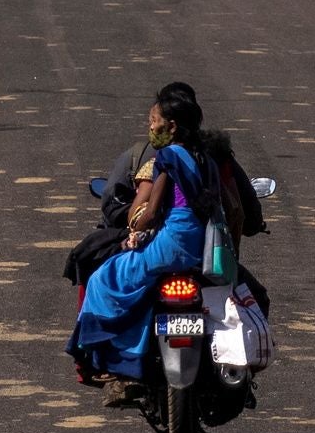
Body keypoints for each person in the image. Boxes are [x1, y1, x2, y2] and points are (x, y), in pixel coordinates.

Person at [68, 82, 214, 384]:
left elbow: (150, 211)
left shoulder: (167, 158)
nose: (151, 127)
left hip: (171, 242)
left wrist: (133, 231)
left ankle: (111, 358)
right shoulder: (202, 157)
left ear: (171, 127)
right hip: (195, 242)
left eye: (154, 121)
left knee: (102, 279)